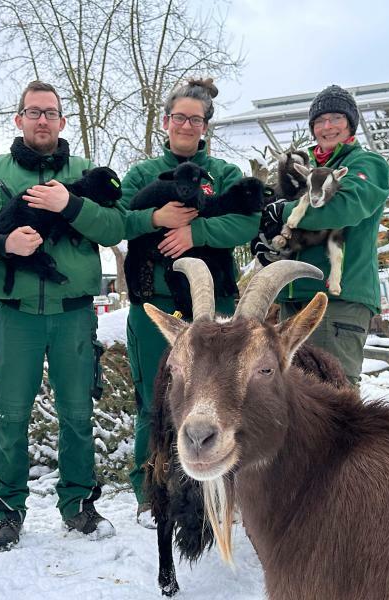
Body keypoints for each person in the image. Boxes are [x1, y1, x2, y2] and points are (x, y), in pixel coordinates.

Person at [0, 81, 125, 551]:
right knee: (10, 415)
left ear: (62, 121)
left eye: (50, 112)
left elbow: (115, 225)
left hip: (74, 314)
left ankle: (78, 504)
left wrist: (70, 205)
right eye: (33, 112)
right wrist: (2, 243)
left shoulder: (87, 172)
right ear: (18, 119)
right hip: (15, 317)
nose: (42, 120)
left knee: (77, 413)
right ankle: (7, 512)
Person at [120, 78, 260, 527]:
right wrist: (155, 218)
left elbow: (246, 223)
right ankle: (152, 492)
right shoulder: (143, 175)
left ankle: (225, 491)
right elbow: (119, 219)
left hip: (214, 309)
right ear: (166, 123)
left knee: (224, 398)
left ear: (205, 127)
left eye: (194, 120)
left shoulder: (226, 174)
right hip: (157, 304)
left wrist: (194, 233)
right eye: (178, 117)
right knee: (155, 398)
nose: (185, 125)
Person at [254, 84, 389, 386]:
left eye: (336, 118)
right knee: (294, 397)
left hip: (336, 300)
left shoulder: (364, 164)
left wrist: (285, 211)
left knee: (333, 393)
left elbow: (343, 206)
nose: (327, 126)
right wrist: (269, 245)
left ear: (350, 123)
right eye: (319, 121)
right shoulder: (306, 170)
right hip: (294, 297)